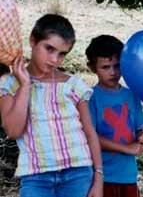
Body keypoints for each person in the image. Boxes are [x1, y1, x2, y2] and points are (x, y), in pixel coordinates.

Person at [0, 14, 103, 197]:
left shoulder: (73, 86)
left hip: (78, 173)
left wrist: (98, 177)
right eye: (49, 48)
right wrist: (25, 85)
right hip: (36, 176)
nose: (55, 59)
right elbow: (13, 131)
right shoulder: (9, 85)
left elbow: (89, 132)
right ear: (33, 41)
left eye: (62, 54)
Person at [86, 35, 143, 197]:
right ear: (92, 67)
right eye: (106, 67)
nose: (113, 72)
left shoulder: (131, 95)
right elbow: (90, 137)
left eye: (117, 66)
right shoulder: (90, 98)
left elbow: (139, 128)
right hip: (102, 176)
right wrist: (126, 148)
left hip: (128, 175)